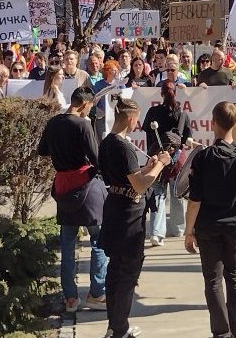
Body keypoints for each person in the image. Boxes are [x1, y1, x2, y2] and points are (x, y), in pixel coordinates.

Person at [184, 102, 236, 338]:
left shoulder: (203, 157)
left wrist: (189, 231)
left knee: (212, 279)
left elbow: (195, 200)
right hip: (235, 226)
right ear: (235, 123)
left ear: (213, 124)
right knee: (233, 275)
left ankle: (220, 332)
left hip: (208, 226)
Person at [99, 98, 172, 338]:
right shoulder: (124, 146)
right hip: (128, 214)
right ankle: (120, 329)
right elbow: (139, 186)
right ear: (131, 118)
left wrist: (147, 167)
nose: (137, 123)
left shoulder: (107, 142)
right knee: (127, 272)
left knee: (116, 270)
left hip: (115, 207)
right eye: (136, 119)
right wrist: (159, 165)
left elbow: (126, 176)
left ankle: (115, 326)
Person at [37, 87, 108, 312]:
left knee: (68, 242)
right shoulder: (83, 124)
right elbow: (97, 158)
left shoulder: (53, 123)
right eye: (91, 106)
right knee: (98, 240)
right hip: (86, 184)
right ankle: (96, 294)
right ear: (85, 104)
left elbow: (42, 151)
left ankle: (70, 298)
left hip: (63, 184)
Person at [142, 80, 194, 246]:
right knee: (177, 193)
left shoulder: (152, 111)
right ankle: (178, 228)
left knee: (158, 194)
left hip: (157, 157)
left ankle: (157, 233)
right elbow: (187, 139)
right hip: (177, 160)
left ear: (162, 94)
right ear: (175, 93)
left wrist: (153, 153)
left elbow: (148, 136)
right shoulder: (183, 115)